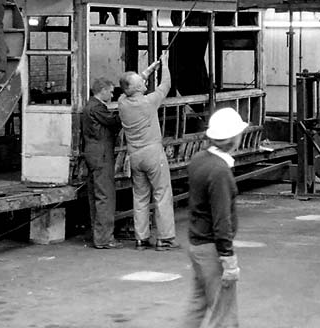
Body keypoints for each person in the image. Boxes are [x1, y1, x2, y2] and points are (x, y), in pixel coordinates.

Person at [185, 107, 249, 328]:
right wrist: (228, 258)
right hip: (212, 247)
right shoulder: (219, 171)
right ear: (233, 138)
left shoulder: (199, 159)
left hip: (197, 243)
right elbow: (222, 219)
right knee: (224, 316)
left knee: (197, 306)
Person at [118, 52, 179, 251]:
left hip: (134, 156)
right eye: (141, 82)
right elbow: (166, 85)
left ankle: (141, 238)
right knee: (162, 194)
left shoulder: (122, 102)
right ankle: (164, 237)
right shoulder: (148, 102)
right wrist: (167, 64)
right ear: (137, 88)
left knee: (140, 196)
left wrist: (150, 69)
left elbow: (131, 84)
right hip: (153, 154)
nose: (145, 83)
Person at [83, 77, 122, 249]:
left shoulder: (90, 105)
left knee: (96, 195)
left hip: (93, 152)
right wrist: (127, 107)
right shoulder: (97, 107)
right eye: (111, 91)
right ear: (103, 90)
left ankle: (99, 235)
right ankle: (105, 238)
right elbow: (114, 122)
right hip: (102, 153)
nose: (112, 94)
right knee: (105, 195)